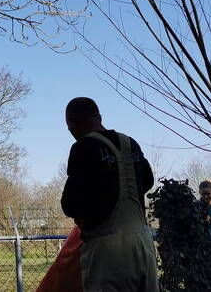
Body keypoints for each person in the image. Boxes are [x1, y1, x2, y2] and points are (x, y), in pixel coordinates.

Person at [60, 97, 157, 292]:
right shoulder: (131, 144)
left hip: (106, 249)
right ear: (99, 116)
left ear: (70, 124)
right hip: (143, 242)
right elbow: (148, 180)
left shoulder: (83, 147)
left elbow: (70, 204)